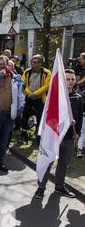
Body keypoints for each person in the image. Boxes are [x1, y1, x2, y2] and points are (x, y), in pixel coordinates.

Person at [34, 69, 83, 199]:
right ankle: (41, 188)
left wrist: (77, 132)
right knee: (48, 162)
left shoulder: (78, 98)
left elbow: (80, 118)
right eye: (68, 79)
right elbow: (48, 117)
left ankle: (59, 186)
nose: (71, 81)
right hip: (54, 136)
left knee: (63, 163)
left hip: (69, 138)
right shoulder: (55, 97)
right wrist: (65, 121)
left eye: (73, 79)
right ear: (62, 80)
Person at [20, 55, 51, 143]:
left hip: (40, 98)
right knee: (25, 115)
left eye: (37, 62)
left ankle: (39, 135)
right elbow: (23, 84)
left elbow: (47, 86)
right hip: (28, 98)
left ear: (41, 63)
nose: (35, 64)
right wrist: (30, 93)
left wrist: (35, 93)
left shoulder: (47, 72)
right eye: (33, 62)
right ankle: (24, 133)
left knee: (40, 116)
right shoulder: (27, 72)